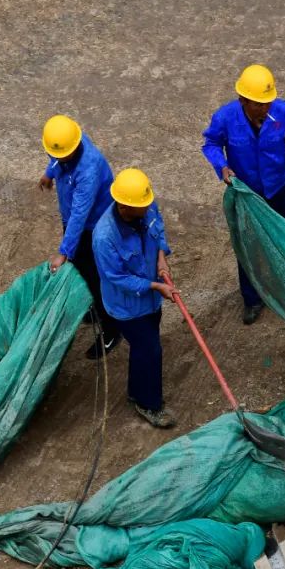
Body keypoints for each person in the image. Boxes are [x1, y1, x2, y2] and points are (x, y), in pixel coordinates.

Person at [201, 64, 285, 324]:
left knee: (283, 240)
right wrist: (223, 167)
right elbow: (212, 143)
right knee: (248, 246)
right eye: (258, 104)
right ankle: (252, 298)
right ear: (243, 100)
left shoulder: (281, 110)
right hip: (247, 195)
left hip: (278, 190)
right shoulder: (225, 118)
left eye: (267, 103)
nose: (264, 108)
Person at [92, 168, 177, 428]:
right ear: (124, 207)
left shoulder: (144, 205)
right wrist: (154, 285)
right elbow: (117, 278)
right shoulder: (104, 237)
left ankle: (135, 390)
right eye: (142, 206)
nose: (148, 207)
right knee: (151, 349)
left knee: (143, 349)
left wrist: (162, 259)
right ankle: (149, 404)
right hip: (127, 307)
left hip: (150, 299)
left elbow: (157, 229)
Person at [38, 114, 120, 359]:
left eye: (61, 157)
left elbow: (79, 215)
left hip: (93, 226)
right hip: (75, 221)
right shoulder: (67, 142)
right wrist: (49, 173)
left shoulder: (89, 169)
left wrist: (64, 252)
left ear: (73, 149)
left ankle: (112, 329)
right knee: (82, 271)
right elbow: (55, 157)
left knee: (96, 276)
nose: (57, 158)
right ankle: (93, 306)